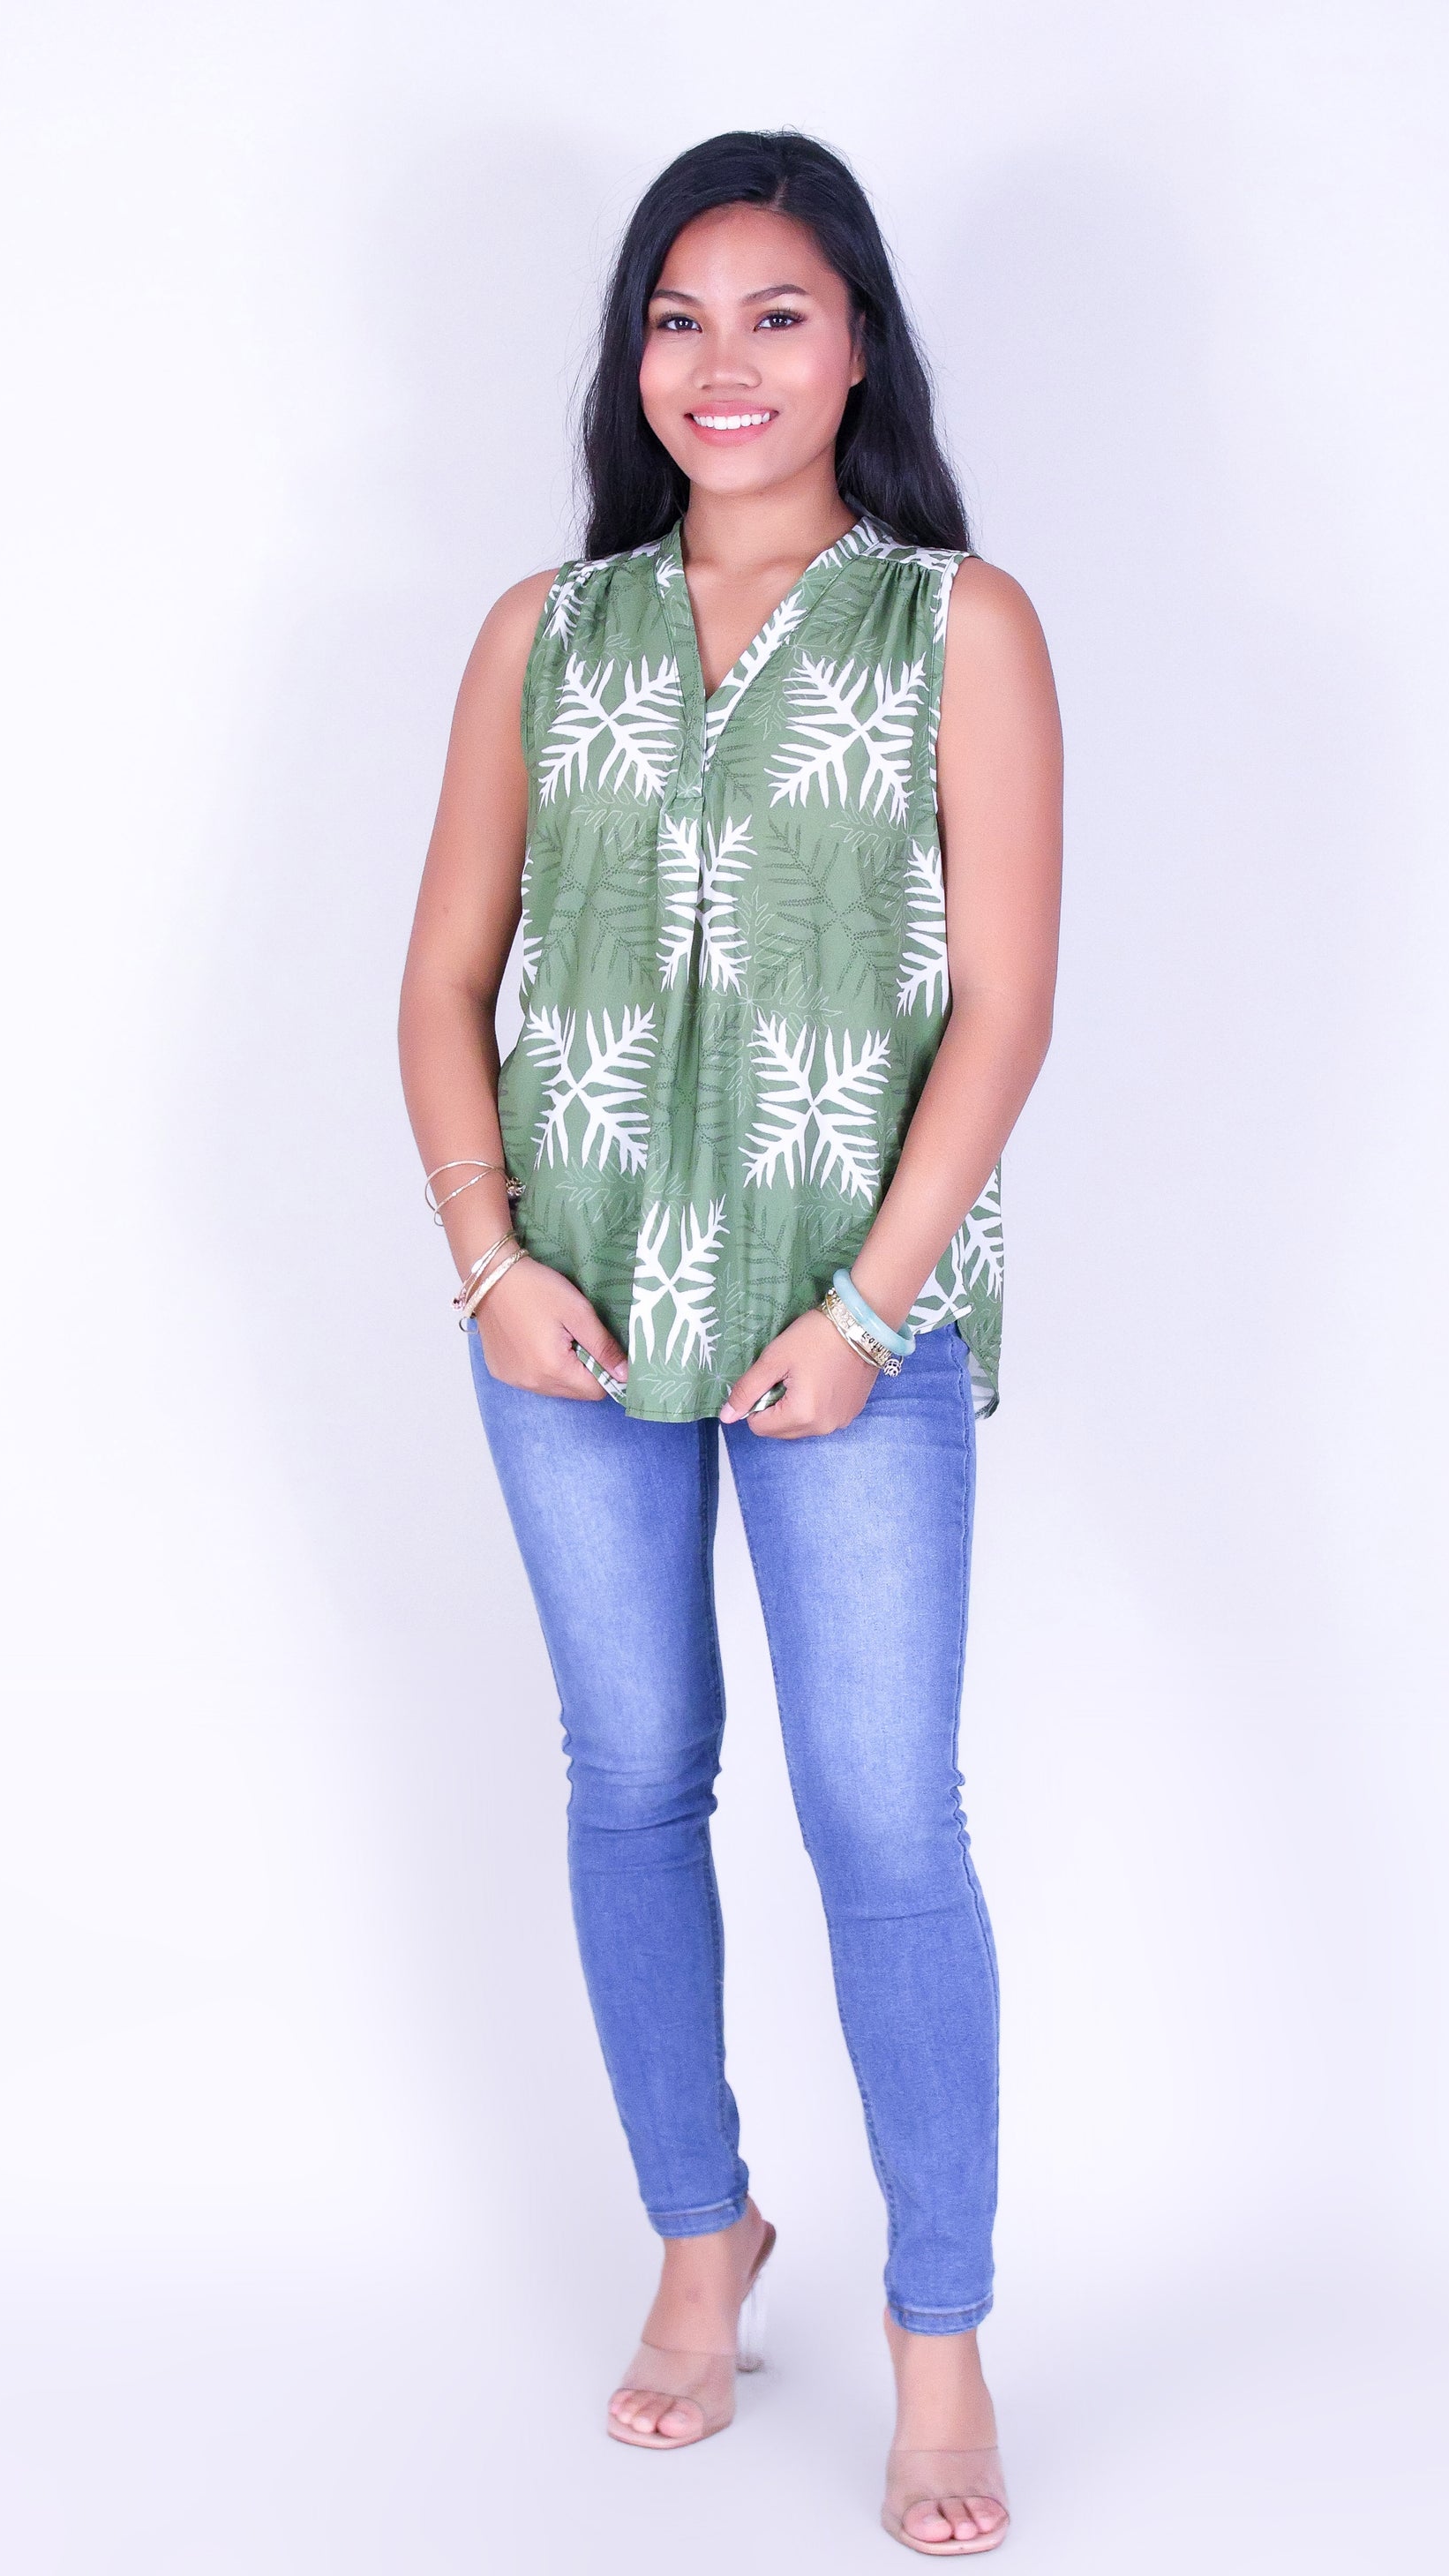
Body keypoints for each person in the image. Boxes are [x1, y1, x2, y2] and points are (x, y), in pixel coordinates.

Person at [399, 128, 1062, 2557]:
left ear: (859, 343)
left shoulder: (956, 627)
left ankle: (938, 2336)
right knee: (630, 1780)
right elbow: (443, 979)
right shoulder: (540, 635)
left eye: (778, 312)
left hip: (848, 1313)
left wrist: (868, 1309)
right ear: (633, 360)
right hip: (562, 1308)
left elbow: (1004, 1007)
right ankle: (704, 2244)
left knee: (883, 1818)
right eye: (678, 318)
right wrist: (490, 1261)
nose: (724, 363)